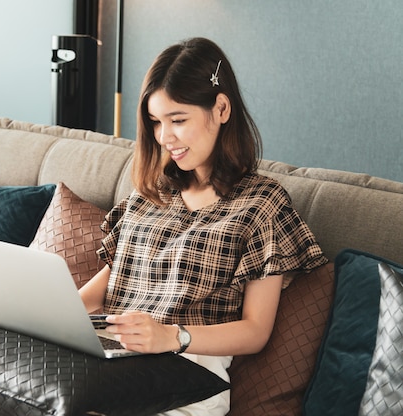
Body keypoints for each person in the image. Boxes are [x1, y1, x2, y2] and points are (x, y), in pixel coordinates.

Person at [79, 37, 327, 415]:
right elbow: (105, 288)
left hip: (187, 374)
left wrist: (172, 336)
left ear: (221, 108)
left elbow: (256, 330)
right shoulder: (150, 195)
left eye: (178, 120)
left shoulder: (261, 203)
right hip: (112, 359)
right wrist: (38, 316)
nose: (165, 137)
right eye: (156, 123)